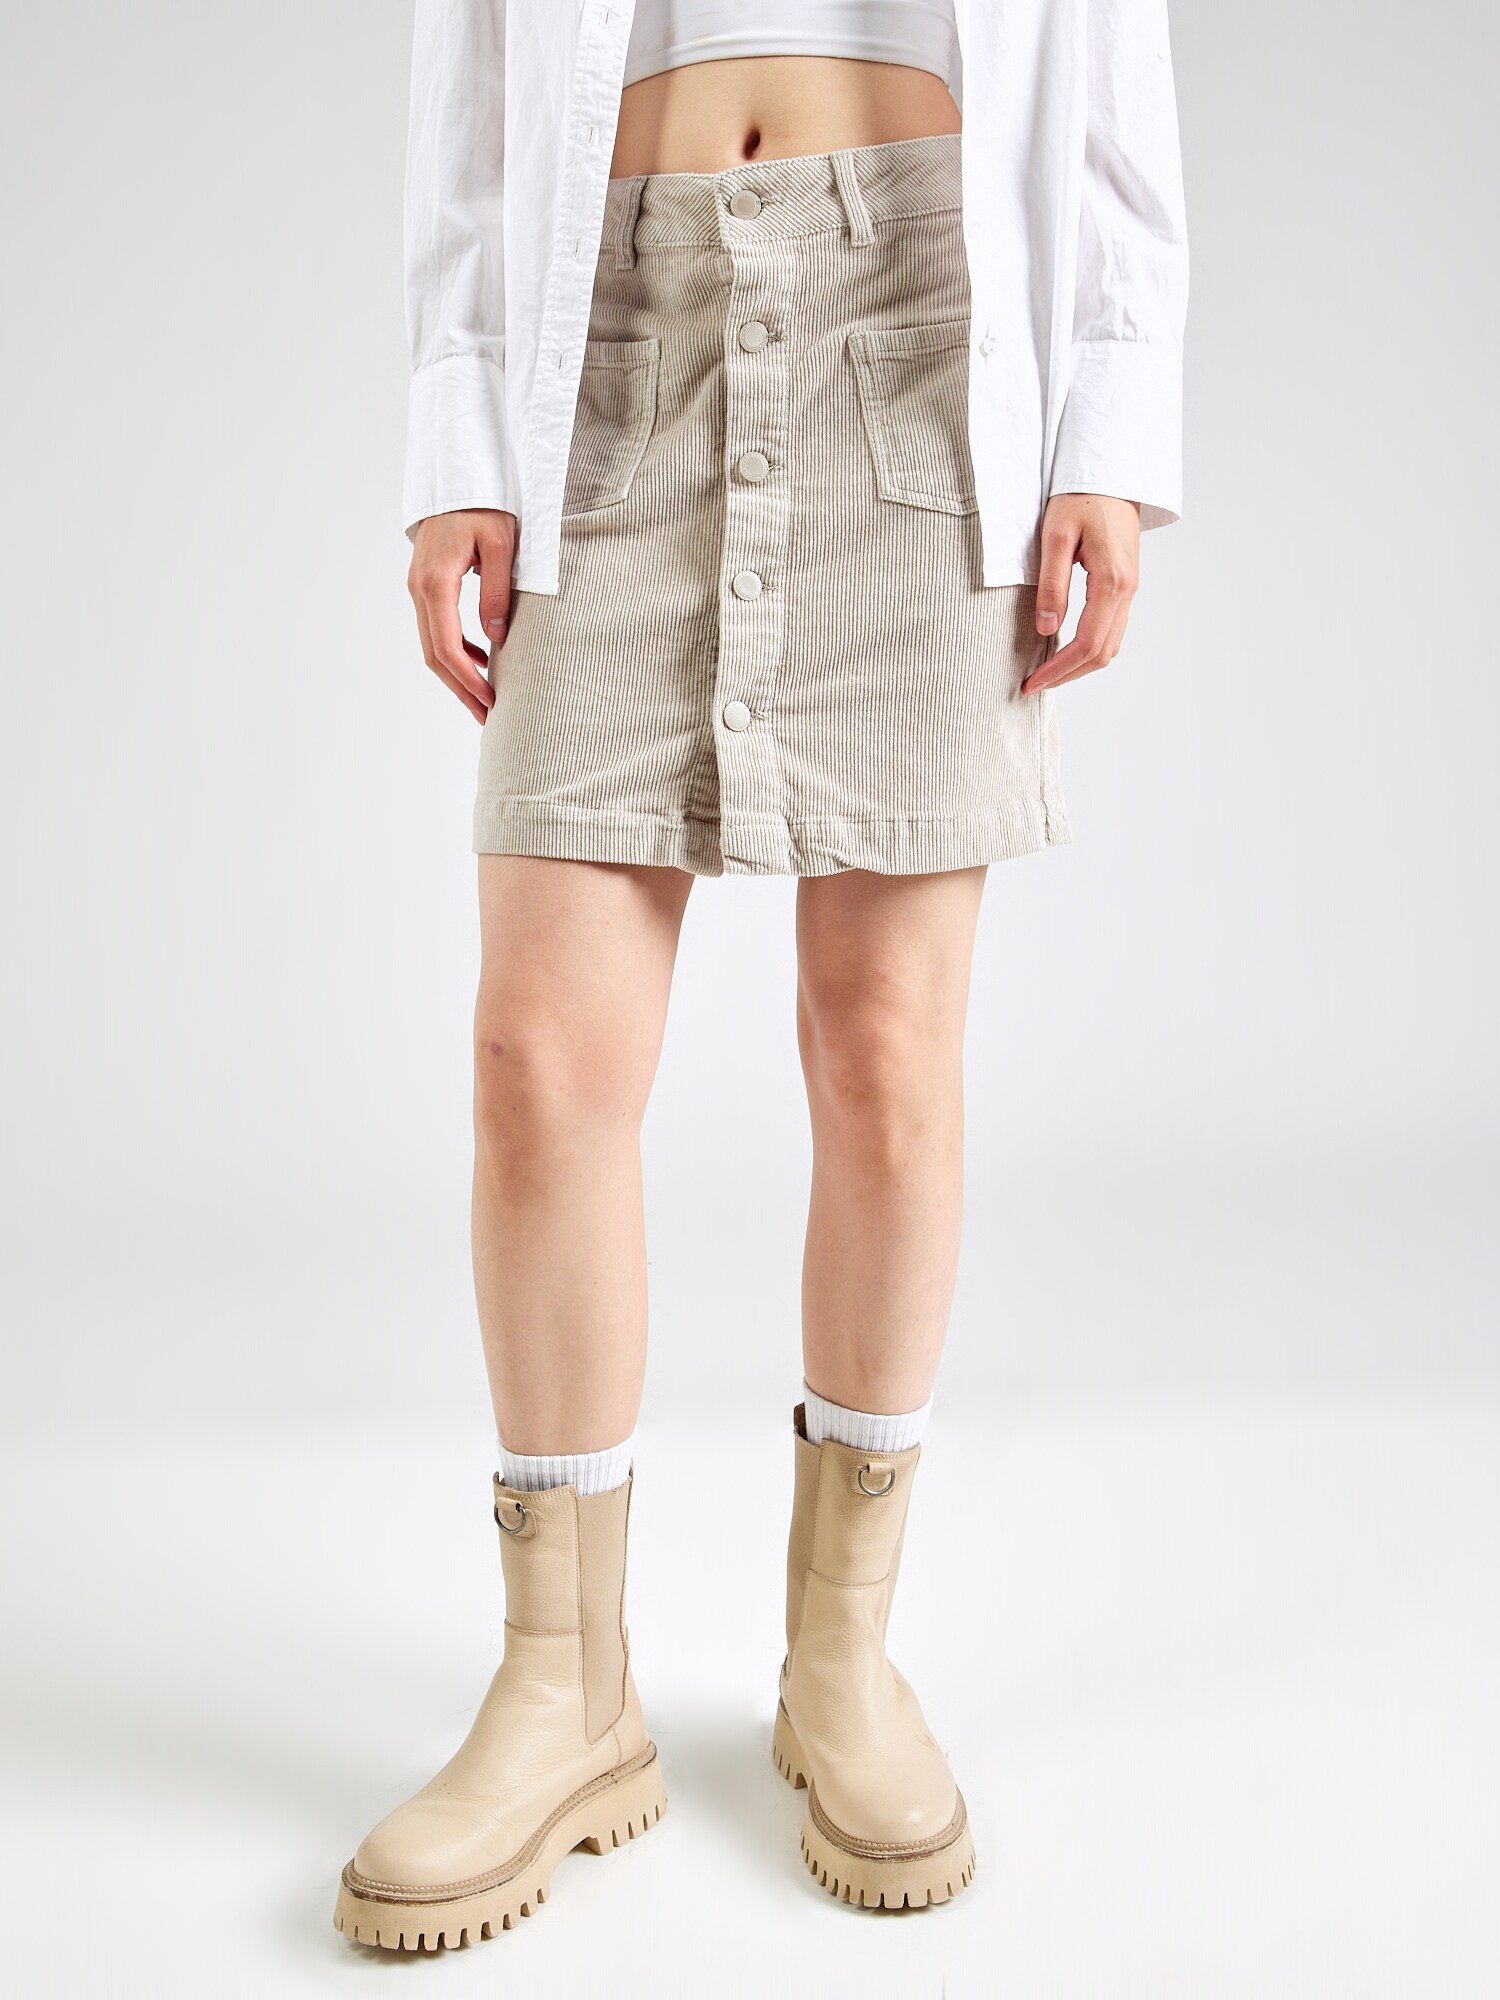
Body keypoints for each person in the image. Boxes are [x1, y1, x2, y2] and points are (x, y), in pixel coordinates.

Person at [334, 0, 1187, 1950]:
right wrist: (457, 427)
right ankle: (565, 1685)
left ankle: (841, 1660)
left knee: (883, 1055)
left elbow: (1112, 47)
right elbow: (467, 65)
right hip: (606, 333)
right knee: (537, 1062)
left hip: (927, 319)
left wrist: (1113, 419)